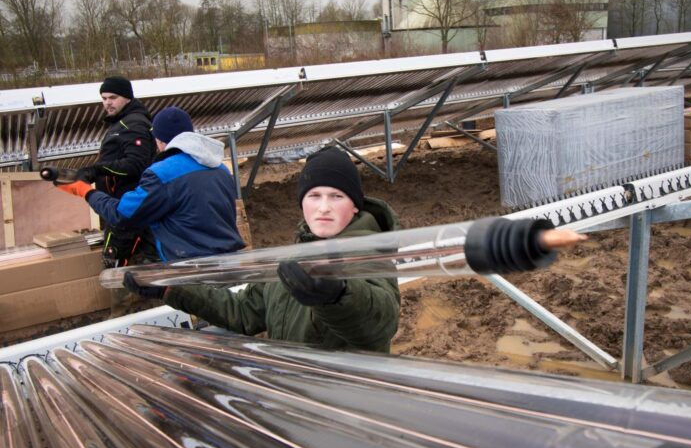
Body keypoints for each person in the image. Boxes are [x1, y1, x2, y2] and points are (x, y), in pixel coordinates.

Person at [122, 147, 587, 353]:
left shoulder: (371, 254)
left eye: (336, 196)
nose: (323, 208)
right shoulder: (292, 255)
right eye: (313, 196)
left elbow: (378, 324)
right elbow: (247, 315)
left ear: (355, 204)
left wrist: (334, 295)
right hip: (298, 389)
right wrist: (170, 290)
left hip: (349, 394)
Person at [57, 106, 245, 261]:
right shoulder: (220, 169)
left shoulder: (163, 174)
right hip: (229, 259)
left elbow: (122, 215)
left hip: (192, 266)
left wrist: (86, 192)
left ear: (159, 140)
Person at [78, 76, 158, 266]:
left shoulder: (134, 124)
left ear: (127, 97)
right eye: (104, 98)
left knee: (122, 268)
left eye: (112, 97)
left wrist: (95, 170)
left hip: (127, 212)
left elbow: (136, 164)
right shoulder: (121, 123)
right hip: (119, 209)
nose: (107, 103)